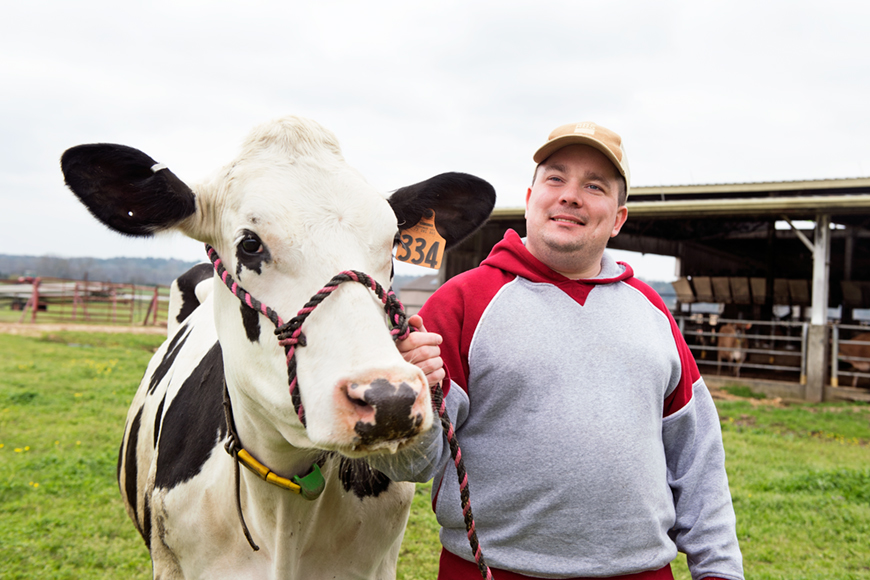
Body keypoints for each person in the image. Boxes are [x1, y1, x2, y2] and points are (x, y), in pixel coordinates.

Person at [377, 122, 744, 580]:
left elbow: (697, 456)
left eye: (594, 186)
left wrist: (720, 570)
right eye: (555, 178)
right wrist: (411, 397)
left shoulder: (651, 311)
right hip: (494, 572)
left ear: (618, 219)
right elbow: (408, 464)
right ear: (530, 199)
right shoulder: (460, 303)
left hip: (642, 572)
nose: (571, 196)